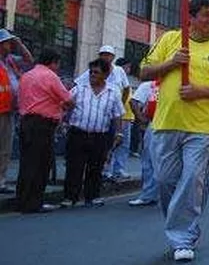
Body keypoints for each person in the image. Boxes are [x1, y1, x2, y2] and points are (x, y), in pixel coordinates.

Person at [140, 0, 209, 263]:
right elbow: (144, 71)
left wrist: (200, 92)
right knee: (164, 181)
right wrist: (171, 63)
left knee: (191, 179)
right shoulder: (171, 39)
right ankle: (182, 222)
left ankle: (182, 237)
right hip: (166, 123)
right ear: (191, 18)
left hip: (201, 127)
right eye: (206, 15)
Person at [60, 58, 124, 208]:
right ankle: (70, 197)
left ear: (106, 75)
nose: (92, 75)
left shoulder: (113, 92)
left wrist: (119, 133)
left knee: (96, 167)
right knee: (74, 166)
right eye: (91, 72)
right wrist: (62, 121)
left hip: (100, 136)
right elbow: (65, 104)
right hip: (78, 133)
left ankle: (92, 196)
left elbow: (118, 114)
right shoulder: (79, 89)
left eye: (97, 72)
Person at [15, 50, 71, 213]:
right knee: (41, 164)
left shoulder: (27, 75)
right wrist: (63, 106)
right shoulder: (50, 76)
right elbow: (68, 99)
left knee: (26, 163)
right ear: (53, 62)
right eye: (58, 64)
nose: (58, 67)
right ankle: (34, 202)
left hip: (26, 121)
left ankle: (22, 200)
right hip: (43, 124)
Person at [0, 28, 33, 194]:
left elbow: (29, 60)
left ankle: (1, 181)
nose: (10, 45)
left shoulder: (11, 60)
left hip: (9, 110)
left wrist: (19, 43)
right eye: (7, 43)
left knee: (5, 148)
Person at [128, 79, 159, 206]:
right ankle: (149, 195)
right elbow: (133, 101)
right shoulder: (150, 86)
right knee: (149, 161)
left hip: (176, 126)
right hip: (155, 125)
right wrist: (141, 119)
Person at [104, 56, 135, 180]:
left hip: (127, 117)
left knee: (124, 145)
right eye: (127, 67)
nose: (128, 70)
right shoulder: (113, 80)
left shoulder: (124, 81)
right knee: (113, 143)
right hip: (118, 117)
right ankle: (107, 169)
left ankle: (119, 169)